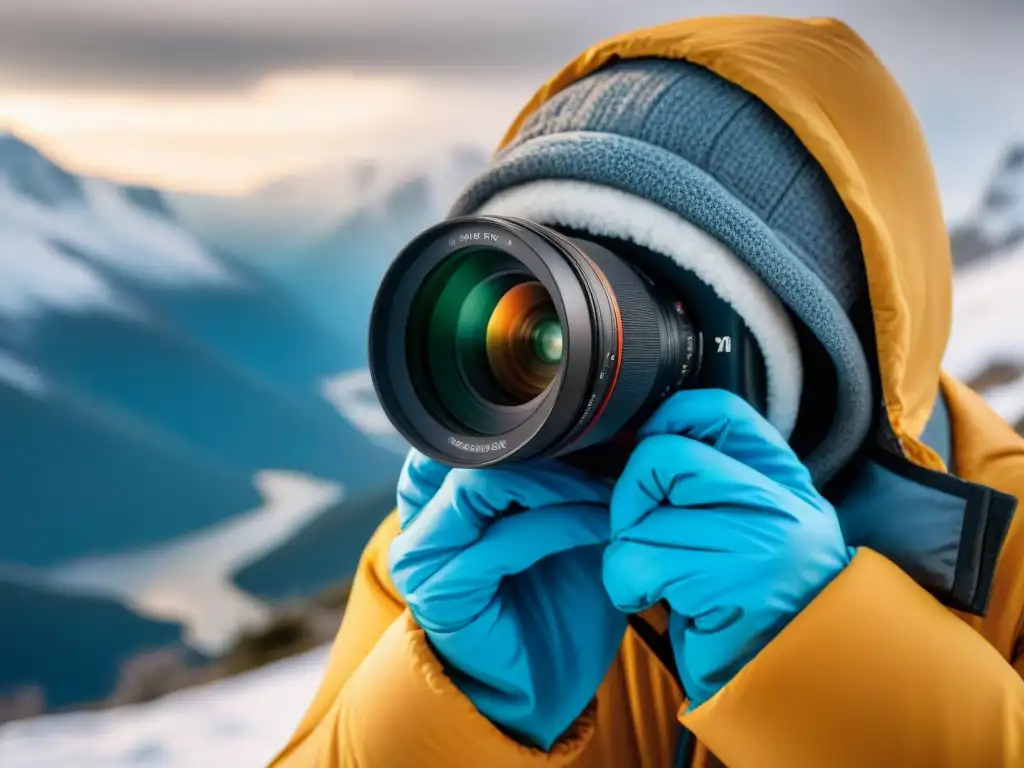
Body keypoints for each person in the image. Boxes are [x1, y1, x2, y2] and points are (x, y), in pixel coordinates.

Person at [269, 15, 1024, 768]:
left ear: (835, 355)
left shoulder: (1008, 557)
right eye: (552, 291)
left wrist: (825, 656)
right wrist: (460, 705)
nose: (561, 355)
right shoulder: (460, 553)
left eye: (679, 291)